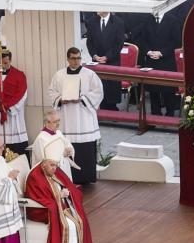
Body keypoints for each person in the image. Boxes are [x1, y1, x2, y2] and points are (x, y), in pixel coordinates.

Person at [25, 146, 99, 243]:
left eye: (56, 165)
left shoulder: (54, 170)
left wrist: (69, 193)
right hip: (42, 211)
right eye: (52, 165)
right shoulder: (35, 176)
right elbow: (38, 198)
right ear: (43, 163)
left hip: (61, 206)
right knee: (69, 225)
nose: (55, 168)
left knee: (79, 221)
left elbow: (68, 185)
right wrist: (59, 195)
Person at [48, 47, 104, 185]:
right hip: (66, 118)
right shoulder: (59, 75)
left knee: (85, 151)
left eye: (78, 58)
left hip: (84, 119)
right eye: (73, 58)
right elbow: (51, 92)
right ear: (68, 59)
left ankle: (86, 178)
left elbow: (98, 92)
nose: (76, 61)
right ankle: (68, 178)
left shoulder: (89, 74)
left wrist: (82, 99)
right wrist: (60, 100)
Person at [0, 49, 28, 157]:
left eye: (6, 62)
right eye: (1, 63)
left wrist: (7, 106)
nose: (3, 65)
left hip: (13, 116)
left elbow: (22, 95)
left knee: (16, 152)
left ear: (10, 60)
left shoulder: (19, 76)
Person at [86, 11, 125, 111]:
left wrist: (107, 57)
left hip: (112, 61)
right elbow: (89, 42)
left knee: (111, 91)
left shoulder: (118, 22)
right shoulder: (92, 21)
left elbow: (119, 44)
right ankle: (101, 110)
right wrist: (94, 55)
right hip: (97, 61)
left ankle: (112, 110)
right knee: (99, 88)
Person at [31, 109, 75, 180]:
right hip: (52, 175)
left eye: (58, 120)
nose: (58, 123)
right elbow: (44, 161)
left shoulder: (58, 133)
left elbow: (67, 145)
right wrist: (62, 154)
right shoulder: (41, 139)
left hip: (64, 168)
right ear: (47, 122)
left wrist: (70, 150)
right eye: (55, 122)